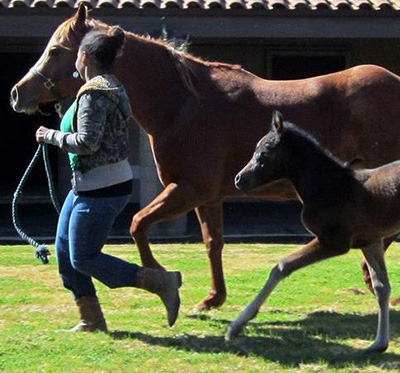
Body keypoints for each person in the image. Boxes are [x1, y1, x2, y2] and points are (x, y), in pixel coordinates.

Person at [35, 26, 181, 332]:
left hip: (101, 188)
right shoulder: (108, 85)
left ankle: (159, 281)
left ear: (84, 56)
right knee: (64, 252)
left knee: (84, 257)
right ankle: (91, 320)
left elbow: (87, 142)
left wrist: (51, 135)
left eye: (76, 55)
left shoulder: (95, 94)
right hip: (89, 185)